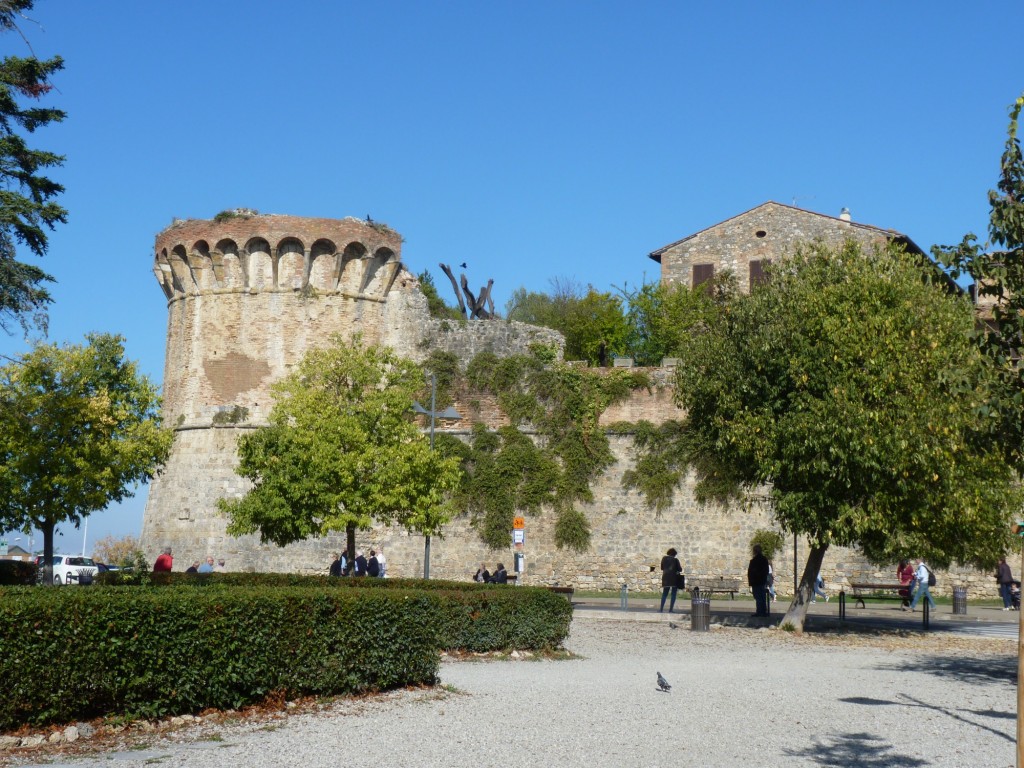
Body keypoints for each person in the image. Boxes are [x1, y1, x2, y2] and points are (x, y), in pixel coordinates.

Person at [747, 544, 770, 617]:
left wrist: (751, 581)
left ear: (755, 551)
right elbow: (766, 571)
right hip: (762, 581)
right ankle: (763, 611)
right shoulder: (764, 559)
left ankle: (760, 612)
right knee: (762, 597)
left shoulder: (754, 561)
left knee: (758, 597)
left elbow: (751, 572)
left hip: (756, 581)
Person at [659, 547, 683, 613]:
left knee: (664, 594)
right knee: (673, 594)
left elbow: (662, 568)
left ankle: (661, 609)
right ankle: (671, 609)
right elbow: (680, 569)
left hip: (665, 578)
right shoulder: (675, 560)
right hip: (674, 579)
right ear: (674, 554)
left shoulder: (664, 558)